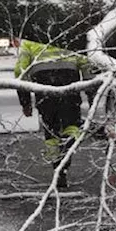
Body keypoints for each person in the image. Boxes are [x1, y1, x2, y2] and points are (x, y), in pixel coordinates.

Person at [14, 39, 90, 187]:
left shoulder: (29, 42)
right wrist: (91, 91)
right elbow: (86, 64)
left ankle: (58, 167)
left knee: (50, 128)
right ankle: (66, 152)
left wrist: (25, 102)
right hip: (69, 81)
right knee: (72, 124)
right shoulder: (72, 35)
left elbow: (20, 71)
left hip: (43, 84)